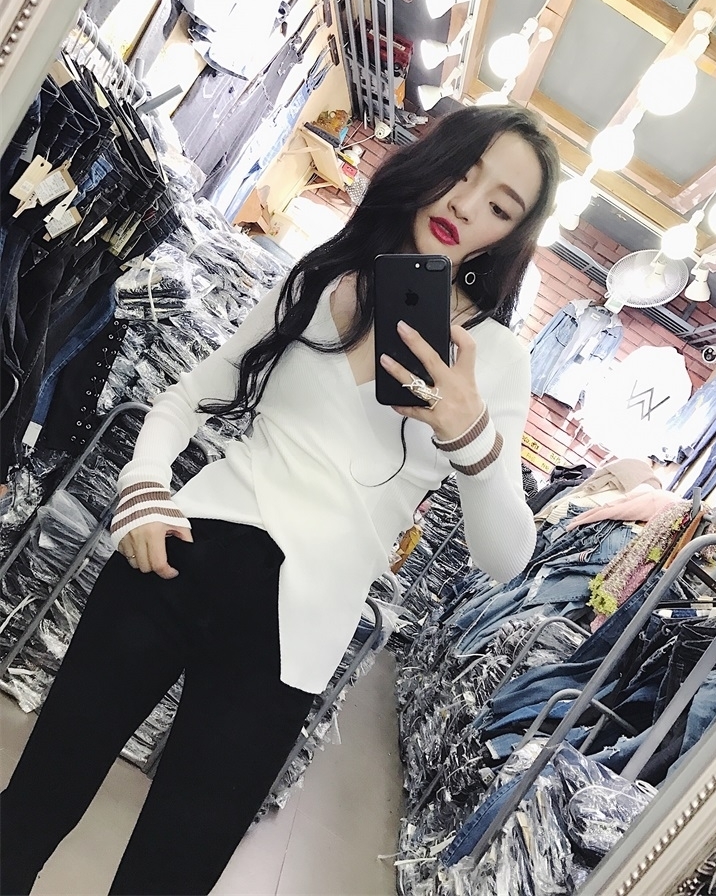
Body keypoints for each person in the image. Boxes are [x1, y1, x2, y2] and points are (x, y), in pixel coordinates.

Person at [0, 104, 559, 896]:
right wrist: (143, 483)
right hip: (177, 556)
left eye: (500, 206)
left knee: (171, 872)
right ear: (431, 165)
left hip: (292, 636)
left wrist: (471, 435)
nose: (466, 207)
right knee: (32, 804)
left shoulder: (495, 360)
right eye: (462, 175)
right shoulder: (323, 277)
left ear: (509, 237)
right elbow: (193, 392)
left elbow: (507, 557)